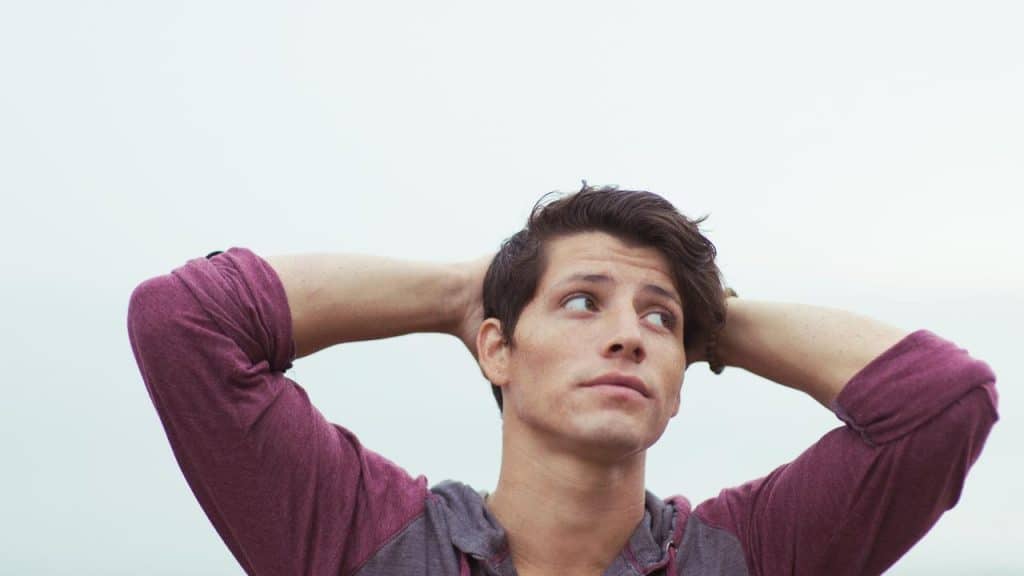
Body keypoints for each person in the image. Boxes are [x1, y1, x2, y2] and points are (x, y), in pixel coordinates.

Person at [127, 185, 999, 575]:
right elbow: (186, 323)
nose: (628, 335)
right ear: (498, 350)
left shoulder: (746, 558)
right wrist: (455, 293)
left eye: (658, 321)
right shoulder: (362, 541)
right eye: (583, 302)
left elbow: (941, 401)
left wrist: (709, 318)